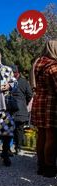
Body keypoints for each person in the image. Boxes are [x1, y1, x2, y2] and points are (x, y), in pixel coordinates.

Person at [31, 40, 57, 178]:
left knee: (41, 135)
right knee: (51, 137)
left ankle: (40, 166)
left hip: (38, 101)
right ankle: (50, 167)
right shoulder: (53, 66)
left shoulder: (37, 63)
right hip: (51, 104)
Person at [11, 65, 33, 155]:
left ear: (18, 73)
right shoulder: (9, 81)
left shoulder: (23, 82)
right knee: (10, 129)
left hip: (20, 110)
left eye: (14, 73)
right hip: (11, 109)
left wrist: (24, 104)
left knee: (19, 129)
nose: (13, 75)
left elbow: (29, 95)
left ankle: (18, 147)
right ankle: (10, 148)